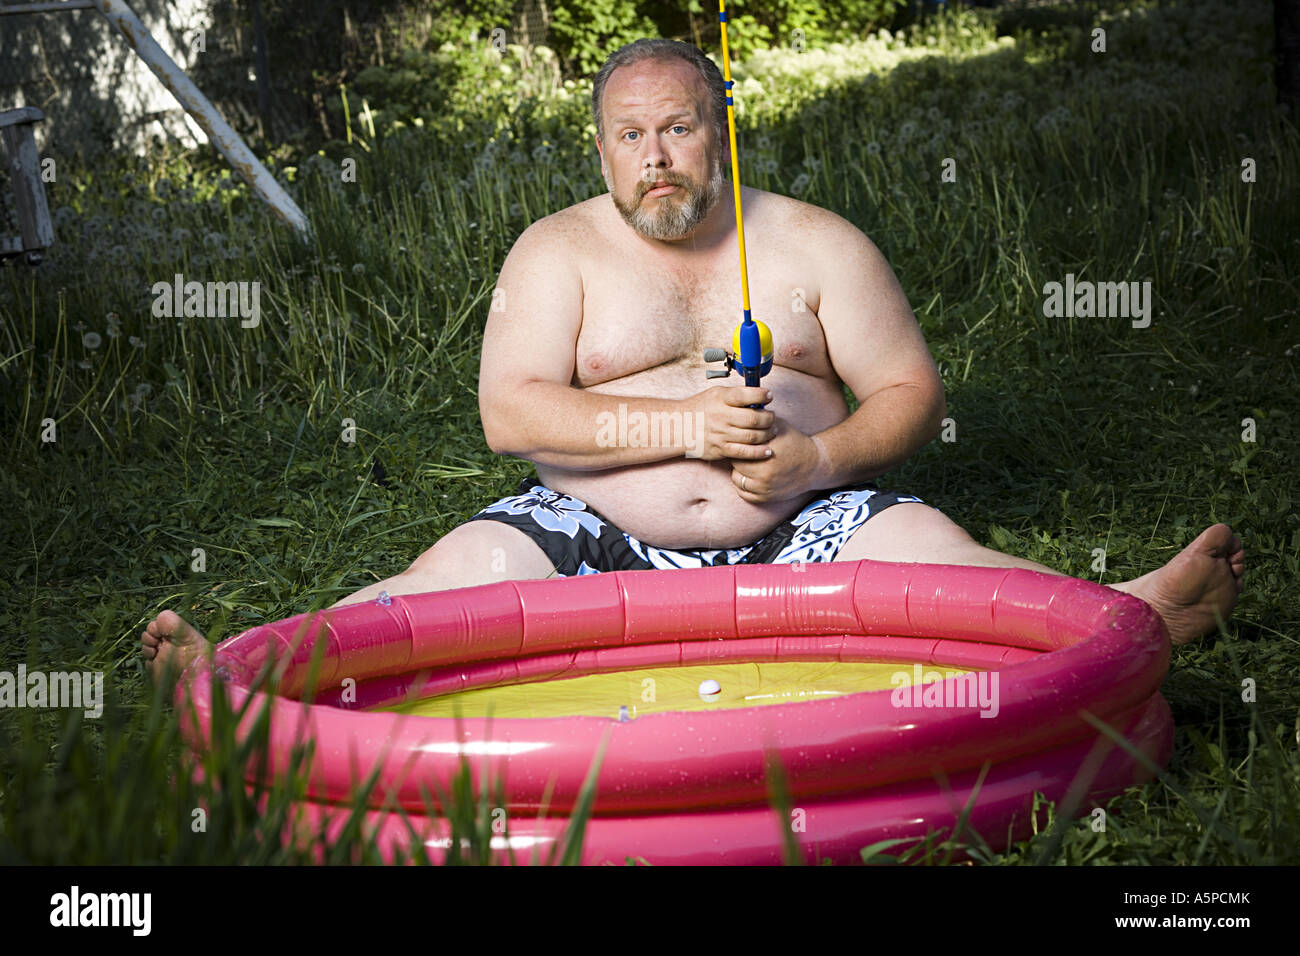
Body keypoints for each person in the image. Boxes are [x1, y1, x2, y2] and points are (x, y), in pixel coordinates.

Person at [143, 39, 1243, 677]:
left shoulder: (817, 243)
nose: (654, 159)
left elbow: (910, 391)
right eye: (630, 137)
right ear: (601, 147)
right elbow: (508, 414)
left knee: (932, 546)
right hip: (591, 523)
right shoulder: (556, 250)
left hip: (802, 518)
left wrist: (817, 461)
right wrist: (680, 430)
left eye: (675, 129)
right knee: (451, 581)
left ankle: (1128, 606)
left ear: (718, 130)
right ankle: (253, 668)